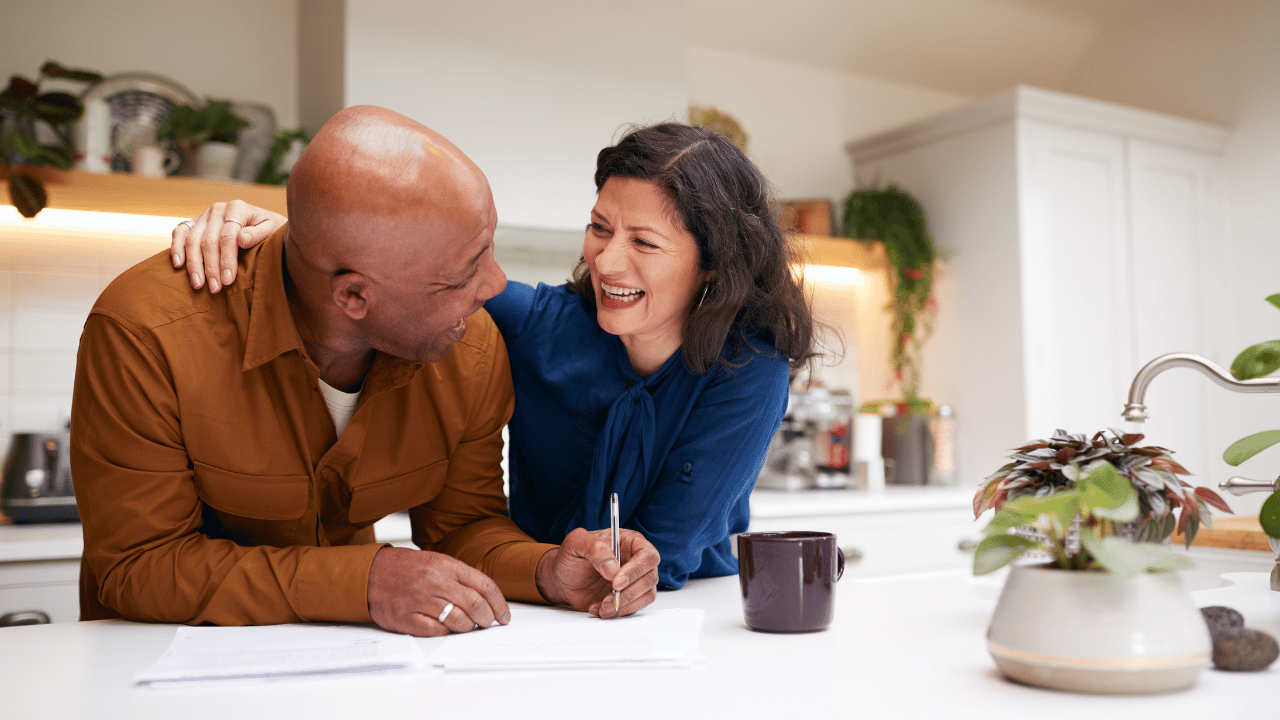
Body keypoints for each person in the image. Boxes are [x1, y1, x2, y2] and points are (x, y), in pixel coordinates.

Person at [71, 105, 660, 636]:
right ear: (353, 298)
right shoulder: (147, 332)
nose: (495, 287)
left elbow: (462, 527)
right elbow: (138, 566)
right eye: (460, 276)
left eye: (487, 249)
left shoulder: (469, 346)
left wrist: (547, 569)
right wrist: (364, 582)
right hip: (152, 667)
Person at [171, 123, 819, 589]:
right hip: (536, 593)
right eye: (599, 228)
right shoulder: (543, 326)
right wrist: (288, 238)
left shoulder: (748, 371)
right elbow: (411, 277)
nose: (606, 260)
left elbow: (663, 553)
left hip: (677, 614)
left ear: (713, 267)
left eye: (644, 242)